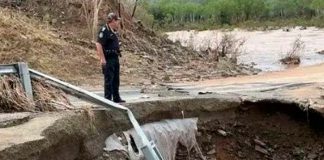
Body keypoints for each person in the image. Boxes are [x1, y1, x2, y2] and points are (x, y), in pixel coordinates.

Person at [96, 12, 125, 103]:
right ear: (112, 21)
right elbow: (98, 44)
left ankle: (116, 98)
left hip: (115, 57)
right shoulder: (104, 30)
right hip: (108, 58)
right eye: (116, 21)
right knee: (109, 79)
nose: (118, 23)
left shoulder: (114, 31)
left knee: (116, 79)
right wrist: (102, 59)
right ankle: (108, 99)